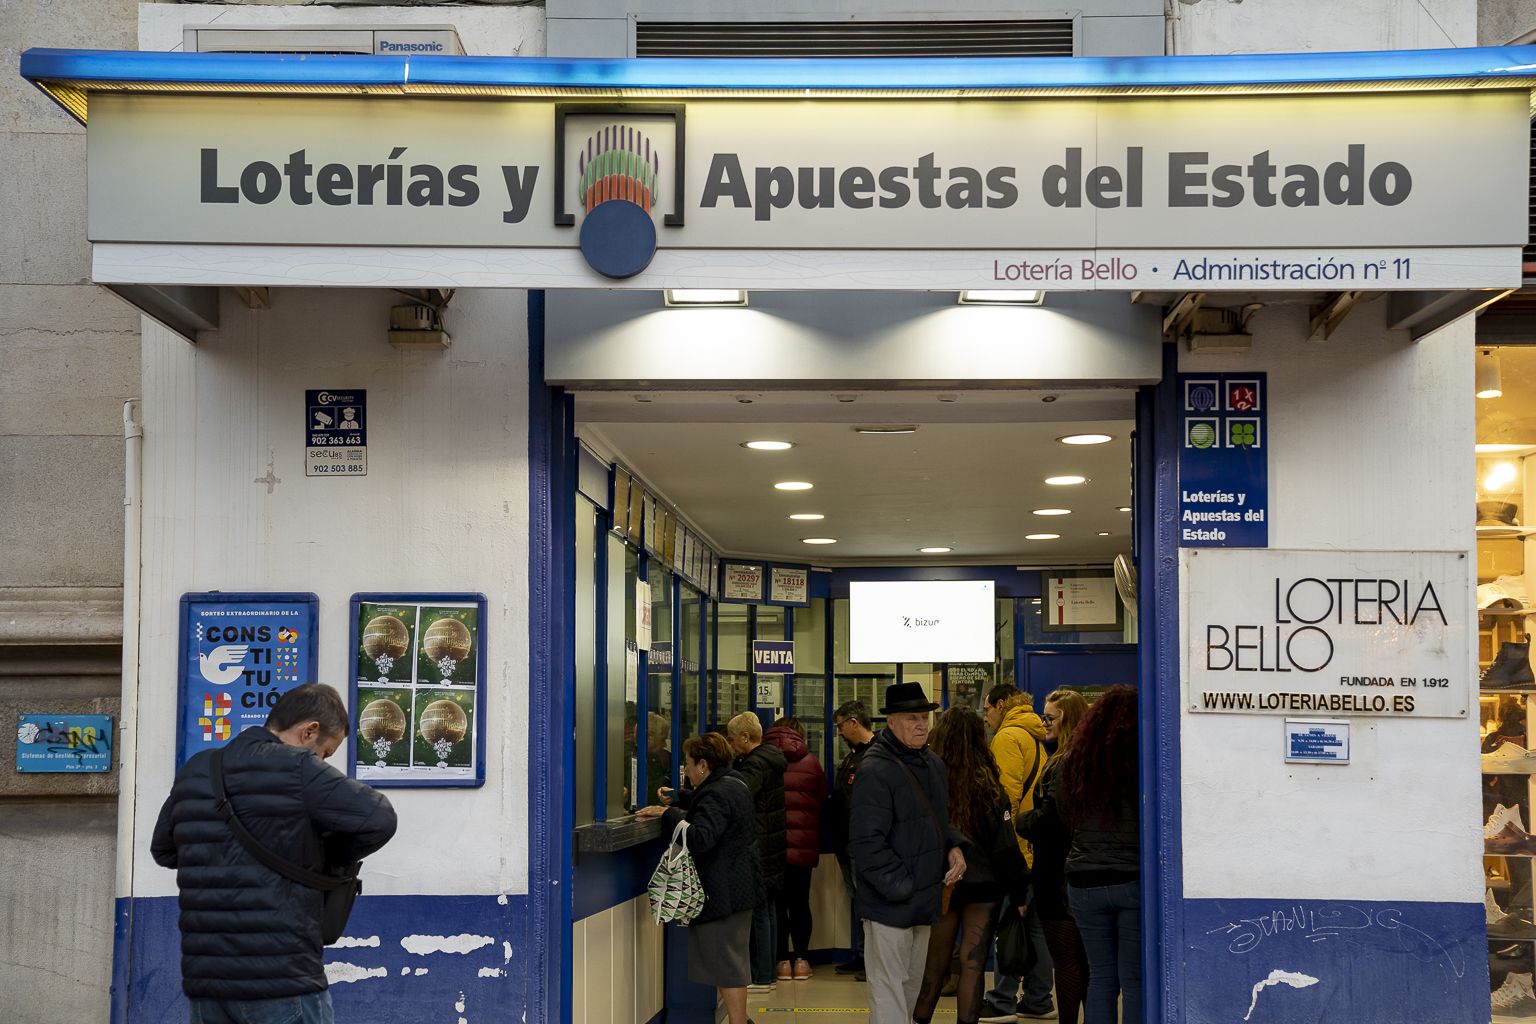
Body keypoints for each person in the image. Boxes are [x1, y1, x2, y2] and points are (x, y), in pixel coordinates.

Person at [151, 684, 398, 1024]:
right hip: (283, 983)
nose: (322, 761)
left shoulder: (200, 769)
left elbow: (164, 849)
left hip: (209, 987)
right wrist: (327, 861)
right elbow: (380, 818)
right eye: (325, 752)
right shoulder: (297, 768)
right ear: (309, 731)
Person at [849, 682, 968, 1024]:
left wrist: (954, 846)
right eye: (911, 717)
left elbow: (937, 820)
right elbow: (865, 842)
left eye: (924, 717)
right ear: (890, 722)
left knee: (910, 990)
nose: (921, 724)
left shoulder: (932, 764)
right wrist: (901, 886)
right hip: (891, 902)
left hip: (923, 900)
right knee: (888, 993)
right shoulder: (875, 769)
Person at [914, 707, 1032, 1024]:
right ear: (980, 741)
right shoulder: (990, 787)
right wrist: (1020, 893)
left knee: (935, 962)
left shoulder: (929, 782)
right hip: (985, 886)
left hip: (945, 882)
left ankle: (920, 1019)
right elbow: (1006, 847)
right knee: (973, 962)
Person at [638, 733, 764, 1024]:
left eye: (688, 764)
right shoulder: (734, 782)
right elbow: (712, 811)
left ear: (703, 765)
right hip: (739, 887)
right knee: (727, 962)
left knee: (727, 965)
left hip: (723, 892)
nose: (686, 769)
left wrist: (671, 816)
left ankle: (738, 1021)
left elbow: (702, 837)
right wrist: (681, 800)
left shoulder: (717, 793)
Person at [1056, 686, 1140, 1024]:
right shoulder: (1142, 759)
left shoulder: (1075, 761)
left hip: (1084, 882)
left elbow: (1065, 815)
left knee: (1101, 976)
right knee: (1134, 980)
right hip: (1132, 880)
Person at [1017, 690, 1091, 1024]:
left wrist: (1021, 821)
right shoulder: (1087, 757)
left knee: (1067, 960)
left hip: (1056, 874)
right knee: (1086, 962)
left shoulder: (1064, 762)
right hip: (1075, 872)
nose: (1044, 723)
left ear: (1069, 719)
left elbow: (1053, 821)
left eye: (1050, 718)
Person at [982, 684, 1055, 1021]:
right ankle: (1039, 999)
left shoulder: (1008, 738)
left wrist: (1003, 848)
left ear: (1000, 705)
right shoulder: (1036, 737)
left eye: (987, 711)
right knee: (1036, 928)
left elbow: (1005, 800)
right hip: (1037, 846)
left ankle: (1001, 1000)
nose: (986, 718)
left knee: (1010, 924)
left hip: (1016, 849)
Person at [764, 716, 827, 982]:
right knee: (800, 903)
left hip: (772, 846)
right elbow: (822, 798)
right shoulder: (812, 763)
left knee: (776, 905)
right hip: (803, 848)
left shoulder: (762, 761)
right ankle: (801, 961)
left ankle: (780, 962)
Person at [728, 712, 788, 992]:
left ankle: (762, 975)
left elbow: (738, 797)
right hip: (773, 843)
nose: (730, 744)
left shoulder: (755, 765)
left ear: (744, 737)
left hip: (760, 845)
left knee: (761, 913)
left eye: (732, 738)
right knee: (772, 909)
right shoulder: (771, 759)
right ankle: (770, 972)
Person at [827, 699, 877, 977]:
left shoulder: (875, 754)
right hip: (846, 841)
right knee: (857, 900)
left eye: (841, 727)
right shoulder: (853, 755)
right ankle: (862, 954)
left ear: (854, 723)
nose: (840, 733)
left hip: (862, 841)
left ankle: (871, 958)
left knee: (867, 900)